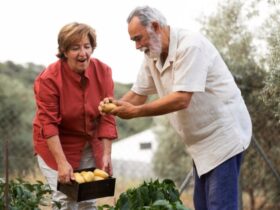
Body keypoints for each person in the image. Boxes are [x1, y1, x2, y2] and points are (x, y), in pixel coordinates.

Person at [99, 6, 252, 210]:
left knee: (220, 206)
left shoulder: (191, 46)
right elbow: (137, 95)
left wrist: (136, 112)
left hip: (223, 137)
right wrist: (114, 106)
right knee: (203, 206)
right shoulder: (151, 54)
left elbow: (181, 99)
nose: (137, 46)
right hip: (200, 145)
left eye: (138, 38)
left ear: (155, 26)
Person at [33, 22, 118, 210]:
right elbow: (48, 125)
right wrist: (62, 163)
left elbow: (107, 116)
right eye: (75, 48)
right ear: (64, 50)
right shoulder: (48, 79)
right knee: (65, 200)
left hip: (88, 143)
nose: (83, 53)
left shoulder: (103, 72)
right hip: (56, 144)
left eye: (87, 47)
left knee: (87, 199)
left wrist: (106, 154)